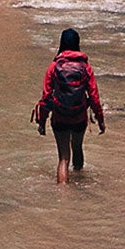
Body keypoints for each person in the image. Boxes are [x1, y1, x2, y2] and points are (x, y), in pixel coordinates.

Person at [33, 28, 104, 183]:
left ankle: (63, 195)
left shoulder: (54, 66)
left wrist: (42, 122)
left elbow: (46, 97)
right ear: (77, 44)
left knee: (63, 157)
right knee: (77, 148)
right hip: (79, 117)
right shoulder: (85, 67)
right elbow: (94, 96)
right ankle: (79, 182)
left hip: (60, 118)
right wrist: (100, 120)